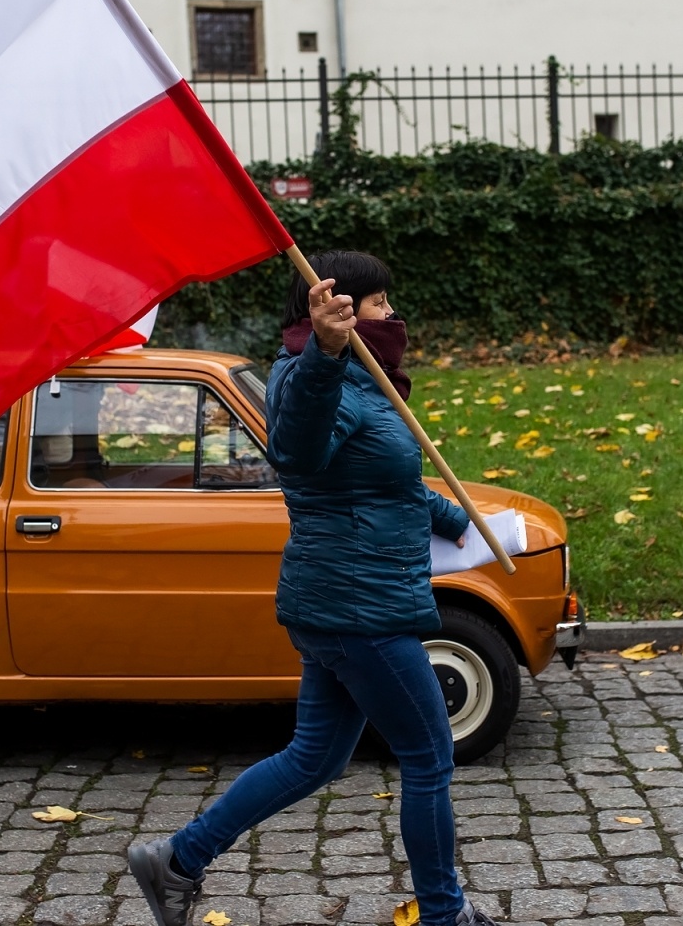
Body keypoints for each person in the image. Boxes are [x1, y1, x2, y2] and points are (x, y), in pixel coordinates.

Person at [128, 251, 498, 926]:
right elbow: (296, 453)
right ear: (340, 311)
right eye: (381, 302)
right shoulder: (310, 373)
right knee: (429, 755)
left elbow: (381, 478)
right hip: (361, 607)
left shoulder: (362, 377)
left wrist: (463, 522)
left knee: (313, 759)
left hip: (337, 599)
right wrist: (326, 355)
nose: (394, 313)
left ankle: (177, 859)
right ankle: (446, 916)